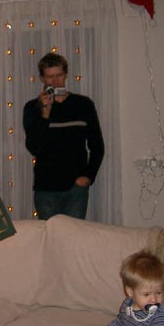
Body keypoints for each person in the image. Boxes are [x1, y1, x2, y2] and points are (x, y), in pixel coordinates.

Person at [22, 52, 104, 220]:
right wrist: (45, 114)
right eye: (50, 77)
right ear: (42, 78)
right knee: (50, 234)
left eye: (59, 75)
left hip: (76, 187)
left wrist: (88, 177)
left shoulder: (83, 105)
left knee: (73, 234)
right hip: (46, 188)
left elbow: (97, 145)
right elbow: (34, 148)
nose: (55, 81)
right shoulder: (32, 108)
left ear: (65, 74)